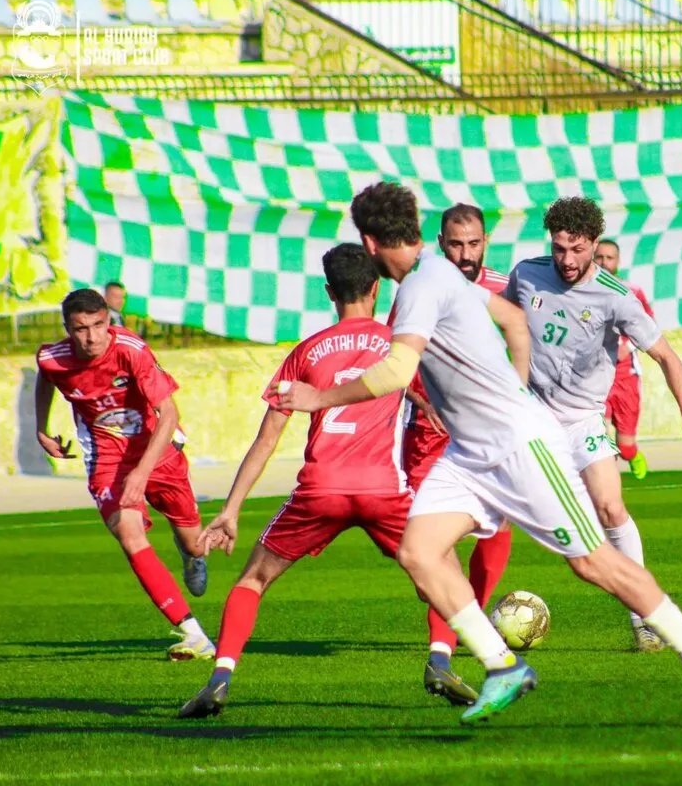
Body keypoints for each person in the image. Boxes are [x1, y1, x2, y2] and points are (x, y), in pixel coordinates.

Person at [275, 182, 682, 728]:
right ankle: (502, 665)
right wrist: (509, 382)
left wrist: (317, 397)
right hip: (470, 453)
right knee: (419, 553)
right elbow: (513, 321)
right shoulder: (439, 273)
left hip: (519, 445)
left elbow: (396, 372)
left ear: (369, 242)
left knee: (591, 562)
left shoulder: (422, 285)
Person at [178, 243, 412, 719]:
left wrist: (231, 509)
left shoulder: (305, 353)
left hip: (320, 489)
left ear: (330, 292)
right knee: (439, 569)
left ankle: (221, 675)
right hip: (383, 486)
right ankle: (441, 660)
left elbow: (265, 441)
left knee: (253, 579)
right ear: (376, 286)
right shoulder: (400, 347)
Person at [506, 198, 682, 653]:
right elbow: (497, 323)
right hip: (531, 418)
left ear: (594, 244)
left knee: (611, 509)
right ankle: (459, 620)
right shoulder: (525, 274)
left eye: (577, 249)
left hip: (582, 420)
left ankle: (643, 619)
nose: (567, 260)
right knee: (491, 516)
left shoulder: (615, 295)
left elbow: (666, 356)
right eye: (559, 248)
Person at [35, 288, 213, 660]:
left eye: (99, 325)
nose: (92, 337)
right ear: (68, 328)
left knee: (196, 543)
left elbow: (170, 414)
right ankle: (193, 633)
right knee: (129, 535)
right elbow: (46, 377)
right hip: (107, 462)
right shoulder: (53, 357)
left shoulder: (131, 351)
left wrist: (141, 472)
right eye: (81, 328)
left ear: (108, 320)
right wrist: (41, 427)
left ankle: (191, 554)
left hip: (159, 454)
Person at [405, 204, 511, 705]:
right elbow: (396, 360)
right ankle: (444, 653)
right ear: (440, 241)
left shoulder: (504, 288)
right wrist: (425, 401)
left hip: (490, 436)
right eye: (455, 244)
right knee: (439, 554)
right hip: (431, 437)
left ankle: (450, 648)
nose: (465, 255)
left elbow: (523, 341)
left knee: (494, 543)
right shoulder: (422, 286)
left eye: (473, 244)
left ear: (485, 240)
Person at [594, 239, 653, 480]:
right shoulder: (582, 291)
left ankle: (632, 455)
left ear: (618, 262)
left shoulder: (632, 291)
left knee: (625, 446)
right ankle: (605, 480)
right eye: (600, 257)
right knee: (599, 436)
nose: (604, 262)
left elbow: (649, 326)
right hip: (597, 376)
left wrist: (626, 346)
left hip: (626, 376)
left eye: (609, 258)